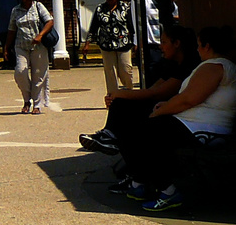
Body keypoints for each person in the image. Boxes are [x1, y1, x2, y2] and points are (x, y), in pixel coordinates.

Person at [117, 26, 236, 212]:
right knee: (140, 130)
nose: (197, 49)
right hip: (194, 125)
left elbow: (188, 99)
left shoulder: (215, 66)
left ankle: (165, 191)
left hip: (204, 130)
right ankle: (142, 182)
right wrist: (164, 107)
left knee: (143, 132)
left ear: (207, 46)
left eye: (199, 45)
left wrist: (160, 112)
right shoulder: (213, 66)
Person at [81, 24, 199, 156]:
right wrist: (119, 95)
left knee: (131, 117)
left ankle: (113, 140)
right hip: (163, 106)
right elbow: (153, 89)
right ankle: (109, 136)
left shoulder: (188, 66)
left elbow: (157, 94)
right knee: (121, 102)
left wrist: (120, 93)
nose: (161, 46)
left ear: (176, 43)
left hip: (174, 113)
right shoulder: (173, 65)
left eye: (164, 42)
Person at [7, 0, 54, 114]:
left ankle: (37, 104)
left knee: (38, 75)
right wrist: (6, 47)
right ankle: (27, 99)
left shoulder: (38, 7)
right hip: (21, 46)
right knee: (20, 72)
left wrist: (40, 35)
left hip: (38, 46)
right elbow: (11, 29)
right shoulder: (15, 10)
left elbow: (50, 21)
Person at [84, 0, 135, 95]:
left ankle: (129, 92)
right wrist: (87, 43)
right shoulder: (100, 9)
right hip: (106, 44)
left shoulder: (125, 8)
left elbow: (131, 26)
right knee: (110, 72)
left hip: (123, 43)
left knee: (126, 70)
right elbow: (93, 27)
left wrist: (135, 42)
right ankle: (112, 97)